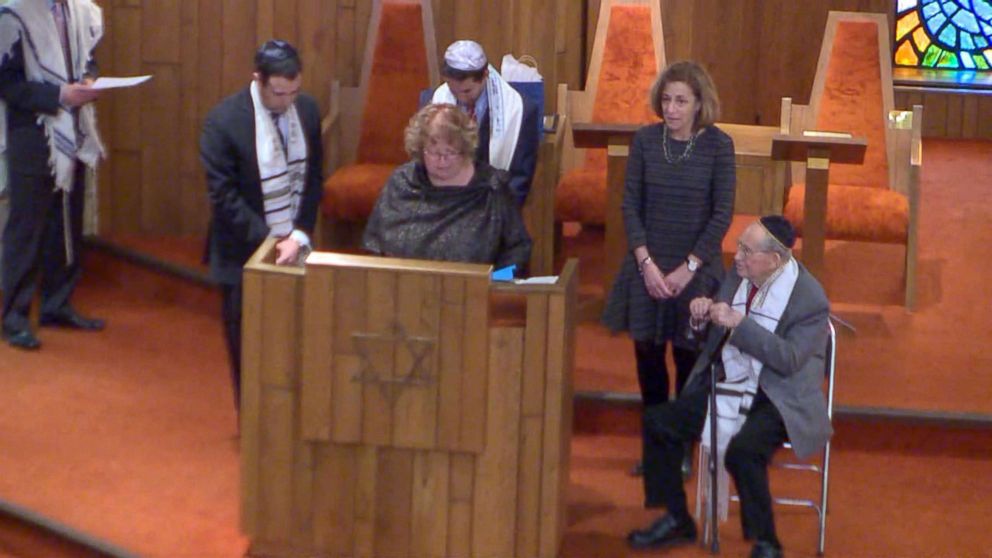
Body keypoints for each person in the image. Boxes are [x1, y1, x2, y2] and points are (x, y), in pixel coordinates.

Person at [627, 216, 833, 558]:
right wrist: (701, 315)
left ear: (775, 259)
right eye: (738, 246)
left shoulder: (809, 297)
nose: (736, 257)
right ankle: (678, 518)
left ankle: (767, 542)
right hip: (729, 380)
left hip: (777, 394)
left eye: (747, 251)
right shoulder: (738, 274)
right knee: (657, 422)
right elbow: (712, 335)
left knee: (743, 451)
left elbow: (791, 359)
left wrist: (741, 325)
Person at [602, 61, 736, 472]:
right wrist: (645, 263)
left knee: (686, 356)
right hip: (648, 265)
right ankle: (656, 445)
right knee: (647, 355)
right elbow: (629, 204)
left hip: (695, 267)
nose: (672, 108)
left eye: (681, 101)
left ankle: (682, 447)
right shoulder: (645, 141)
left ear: (699, 104)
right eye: (666, 100)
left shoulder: (718, 145)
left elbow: (722, 212)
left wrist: (688, 268)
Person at [200, 40, 323, 410]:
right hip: (242, 251)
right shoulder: (223, 122)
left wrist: (298, 234)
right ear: (258, 79)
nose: (287, 102)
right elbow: (225, 199)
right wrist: (271, 242)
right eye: (279, 93)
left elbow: (314, 179)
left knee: (297, 341)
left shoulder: (309, 110)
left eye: (294, 91)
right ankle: (253, 426)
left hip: (295, 245)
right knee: (248, 347)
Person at [0, 0, 106, 351]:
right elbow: (7, 84)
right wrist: (59, 94)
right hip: (32, 133)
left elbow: (88, 55)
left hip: (73, 127)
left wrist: (89, 78)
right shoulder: (13, 16)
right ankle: (14, 316)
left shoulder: (81, 11)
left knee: (67, 220)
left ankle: (57, 304)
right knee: (27, 226)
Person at [363, 103, 531, 271]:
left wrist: (492, 284)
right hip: (403, 288)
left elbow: (518, 253)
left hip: (472, 292)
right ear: (421, 150)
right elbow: (374, 245)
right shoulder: (402, 182)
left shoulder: (492, 189)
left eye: (450, 152)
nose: (441, 161)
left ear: (465, 150)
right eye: (434, 152)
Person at [431, 40, 539, 205]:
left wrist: (496, 216)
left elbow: (519, 180)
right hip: (444, 204)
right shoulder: (432, 102)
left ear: (485, 76)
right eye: (453, 90)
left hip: (493, 207)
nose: (460, 97)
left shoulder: (520, 111)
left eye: (467, 91)